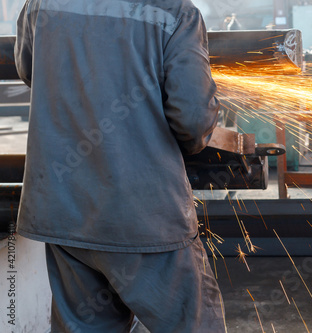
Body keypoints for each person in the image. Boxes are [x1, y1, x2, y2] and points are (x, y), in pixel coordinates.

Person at [15, 0, 225, 332]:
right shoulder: (175, 12)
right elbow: (194, 118)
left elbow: (29, 70)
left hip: (64, 209)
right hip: (146, 215)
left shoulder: (40, 3)